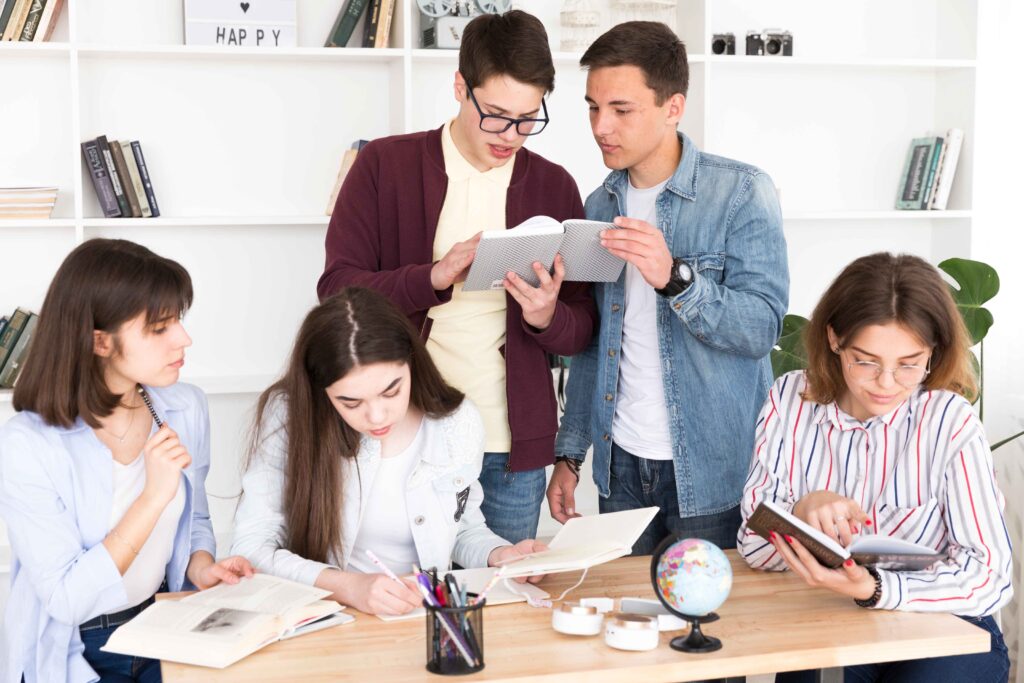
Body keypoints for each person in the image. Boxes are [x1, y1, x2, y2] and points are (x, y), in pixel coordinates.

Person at [316, 10, 597, 544]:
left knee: (503, 597)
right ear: (459, 87)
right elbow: (336, 290)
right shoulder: (383, 165)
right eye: (494, 114)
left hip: (508, 441)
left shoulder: (553, 186)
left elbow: (582, 327)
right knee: (399, 592)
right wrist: (434, 277)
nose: (510, 135)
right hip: (402, 427)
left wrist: (546, 318)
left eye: (527, 118)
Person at [548, 21, 789, 553]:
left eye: (621, 109)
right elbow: (594, 346)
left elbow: (761, 328)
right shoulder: (598, 206)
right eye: (592, 107)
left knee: (715, 629)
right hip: (622, 471)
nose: (600, 126)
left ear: (673, 107)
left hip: (713, 469)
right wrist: (570, 455)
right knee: (631, 626)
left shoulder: (742, 192)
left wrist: (676, 279)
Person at [738, 253, 1012, 682]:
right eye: (865, 360)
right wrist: (802, 510)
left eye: (909, 364)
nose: (886, 384)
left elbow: (989, 576)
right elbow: (753, 547)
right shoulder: (790, 398)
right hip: (826, 618)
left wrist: (878, 589)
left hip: (943, 626)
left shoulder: (949, 420)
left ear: (933, 352)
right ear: (834, 339)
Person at [0, 238, 254, 683]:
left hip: (163, 628)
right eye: (159, 328)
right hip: (77, 650)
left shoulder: (184, 406)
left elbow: (194, 519)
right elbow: (66, 598)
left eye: (178, 320)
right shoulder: (28, 444)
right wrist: (152, 497)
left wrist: (201, 564)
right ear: (99, 341)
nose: (184, 338)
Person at [231, 287, 546, 617]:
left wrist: (498, 553)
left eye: (391, 391)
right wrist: (348, 586)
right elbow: (252, 548)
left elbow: (463, 528)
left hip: (417, 616)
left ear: (412, 361)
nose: (377, 417)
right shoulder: (289, 415)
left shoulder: (456, 422)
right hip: (324, 616)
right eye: (350, 403)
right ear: (320, 391)